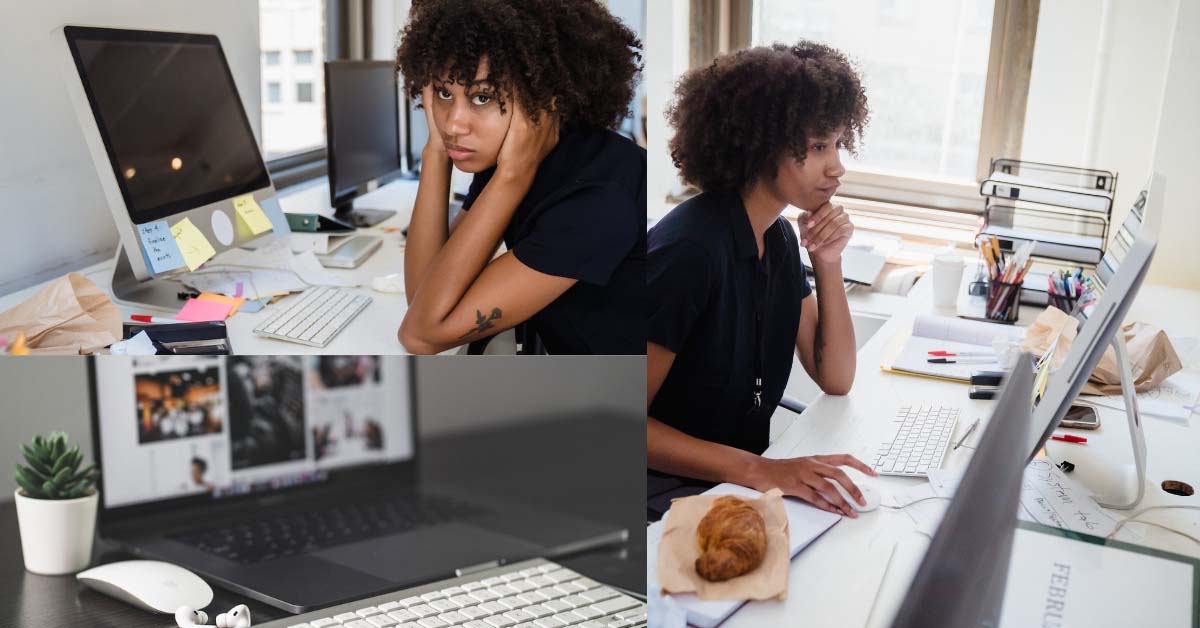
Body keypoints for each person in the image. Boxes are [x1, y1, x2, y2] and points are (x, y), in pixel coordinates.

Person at [647, 42, 877, 518]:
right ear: (758, 144)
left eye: (836, 144)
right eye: (817, 147)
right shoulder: (689, 251)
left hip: (733, 485)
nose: (837, 166)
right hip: (660, 497)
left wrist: (828, 261)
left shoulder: (776, 240)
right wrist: (760, 471)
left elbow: (835, 377)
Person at [394, 0, 647, 355]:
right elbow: (424, 295)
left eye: (482, 97)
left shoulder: (595, 198)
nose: (453, 123)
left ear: (546, 99)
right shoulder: (512, 155)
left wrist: (512, 176)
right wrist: (435, 153)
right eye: (443, 93)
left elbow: (421, 335)